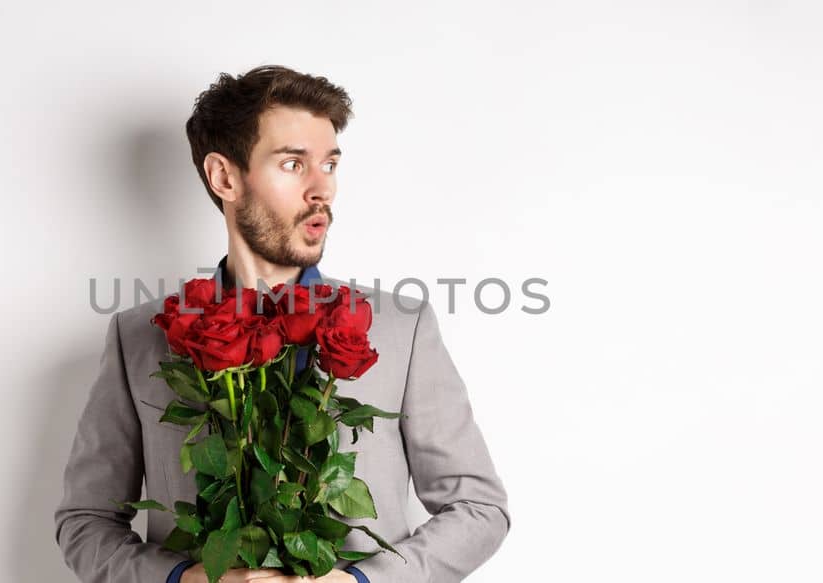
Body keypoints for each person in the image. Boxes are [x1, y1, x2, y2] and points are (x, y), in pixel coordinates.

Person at [55, 65, 510, 582]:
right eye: (294, 164)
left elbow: (479, 508)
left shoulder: (400, 327)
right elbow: (85, 522)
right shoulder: (139, 336)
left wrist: (363, 582)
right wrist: (187, 579)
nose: (323, 190)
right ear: (225, 177)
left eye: (330, 164)